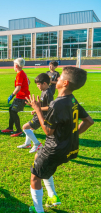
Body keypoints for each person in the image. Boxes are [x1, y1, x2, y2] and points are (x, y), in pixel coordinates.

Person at [26, 67, 94, 213]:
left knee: (34, 178)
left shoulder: (58, 104)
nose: (55, 79)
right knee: (39, 158)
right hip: (70, 147)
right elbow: (89, 121)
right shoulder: (72, 99)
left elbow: (48, 131)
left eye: (59, 78)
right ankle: (53, 196)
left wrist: (37, 109)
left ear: (65, 83)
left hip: (55, 149)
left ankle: (38, 210)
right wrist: (72, 135)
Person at [17, 73, 53, 153]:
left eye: (38, 84)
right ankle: (27, 144)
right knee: (30, 128)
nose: (37, 86)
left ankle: (37, 144)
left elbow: (50, 107)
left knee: (25, 127)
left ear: (44, 83)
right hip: (39, 113)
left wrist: (38, 108)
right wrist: (36, 108)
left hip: (43, 115)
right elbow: (43, 104)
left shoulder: (48, 93)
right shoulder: (44, 91)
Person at [1, 58, 30, 137]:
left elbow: (18, 88)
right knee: (11, 110)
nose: (13, 66)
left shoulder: (20, 74)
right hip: (21, 96)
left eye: (14, 65)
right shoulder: (23, 73)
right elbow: (28, 82)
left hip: (21, 97)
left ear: (16, 65)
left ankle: (19, 131)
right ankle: (10, 128)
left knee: (13, 112)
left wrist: (11, 95)